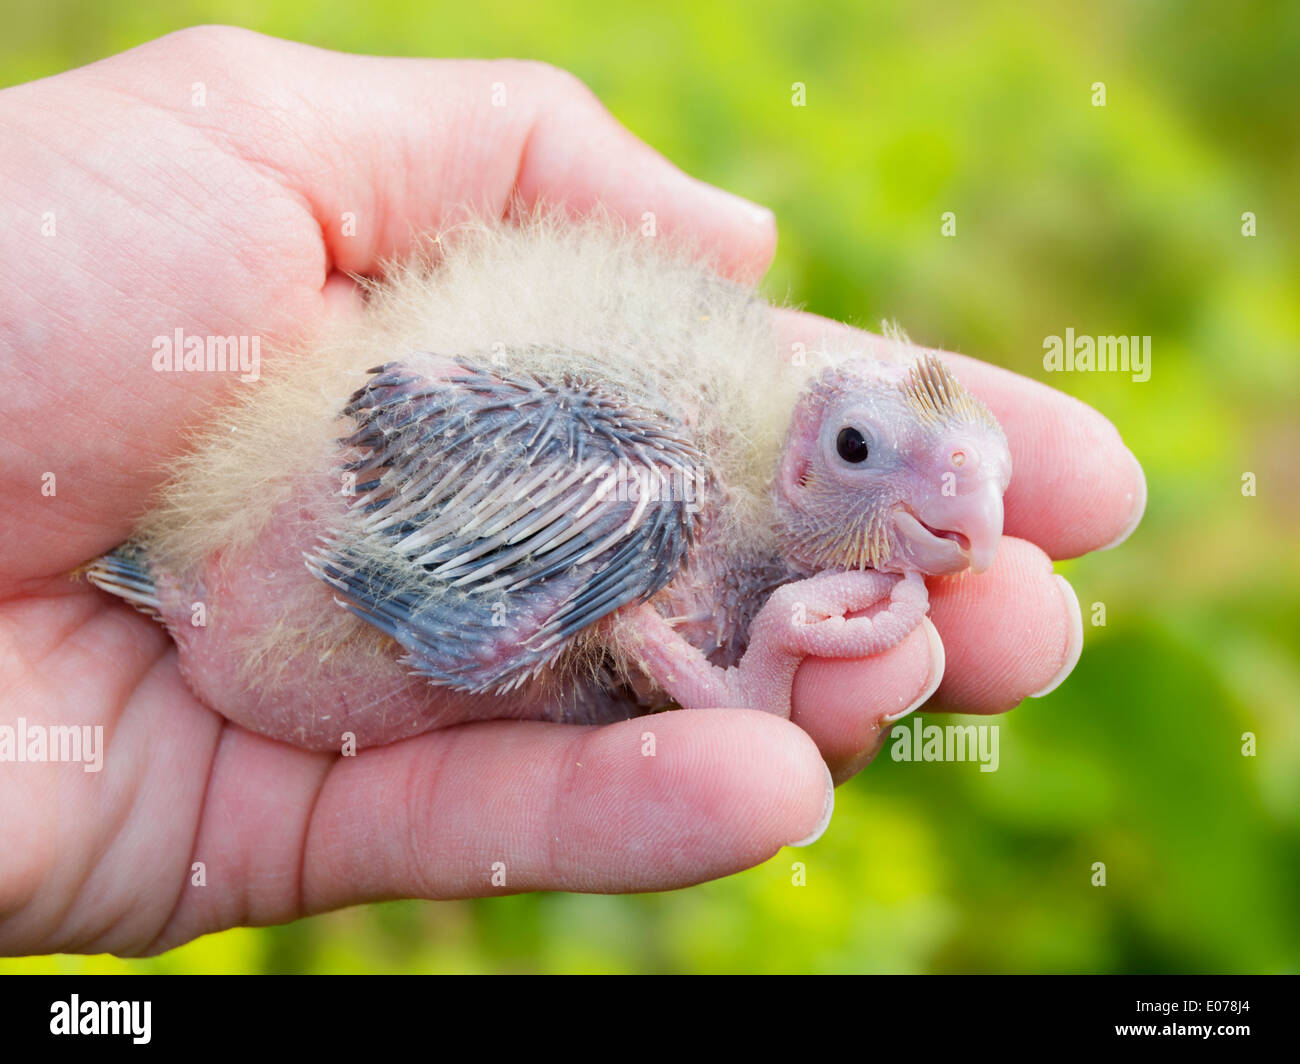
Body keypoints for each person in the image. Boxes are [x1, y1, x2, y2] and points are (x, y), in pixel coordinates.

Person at [0, 27, 1144, 957]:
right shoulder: (659, 483)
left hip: (215, 616)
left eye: (970, 492)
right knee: (636, 519)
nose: (955, 516)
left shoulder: (705, 499)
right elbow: (461, 568)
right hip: (252, 593)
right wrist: (733, 664)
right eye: (857, 446)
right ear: (799, 454)